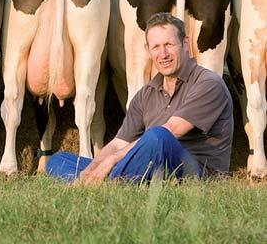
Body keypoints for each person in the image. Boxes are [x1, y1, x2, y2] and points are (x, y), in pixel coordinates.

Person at [46, 12, 233, 185]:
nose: (163, 54)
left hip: (195, 172)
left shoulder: (208, 83)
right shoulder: (147, 93)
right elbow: (119, 142)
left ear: (185, 44)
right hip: (151, 165)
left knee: (158, 136)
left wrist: (112, 160)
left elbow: (171, 131)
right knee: (58, 160)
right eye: (156, 47)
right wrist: (94, 168)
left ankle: (111, 181)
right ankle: (109, 180)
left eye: (169, 45)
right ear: (148, 50)